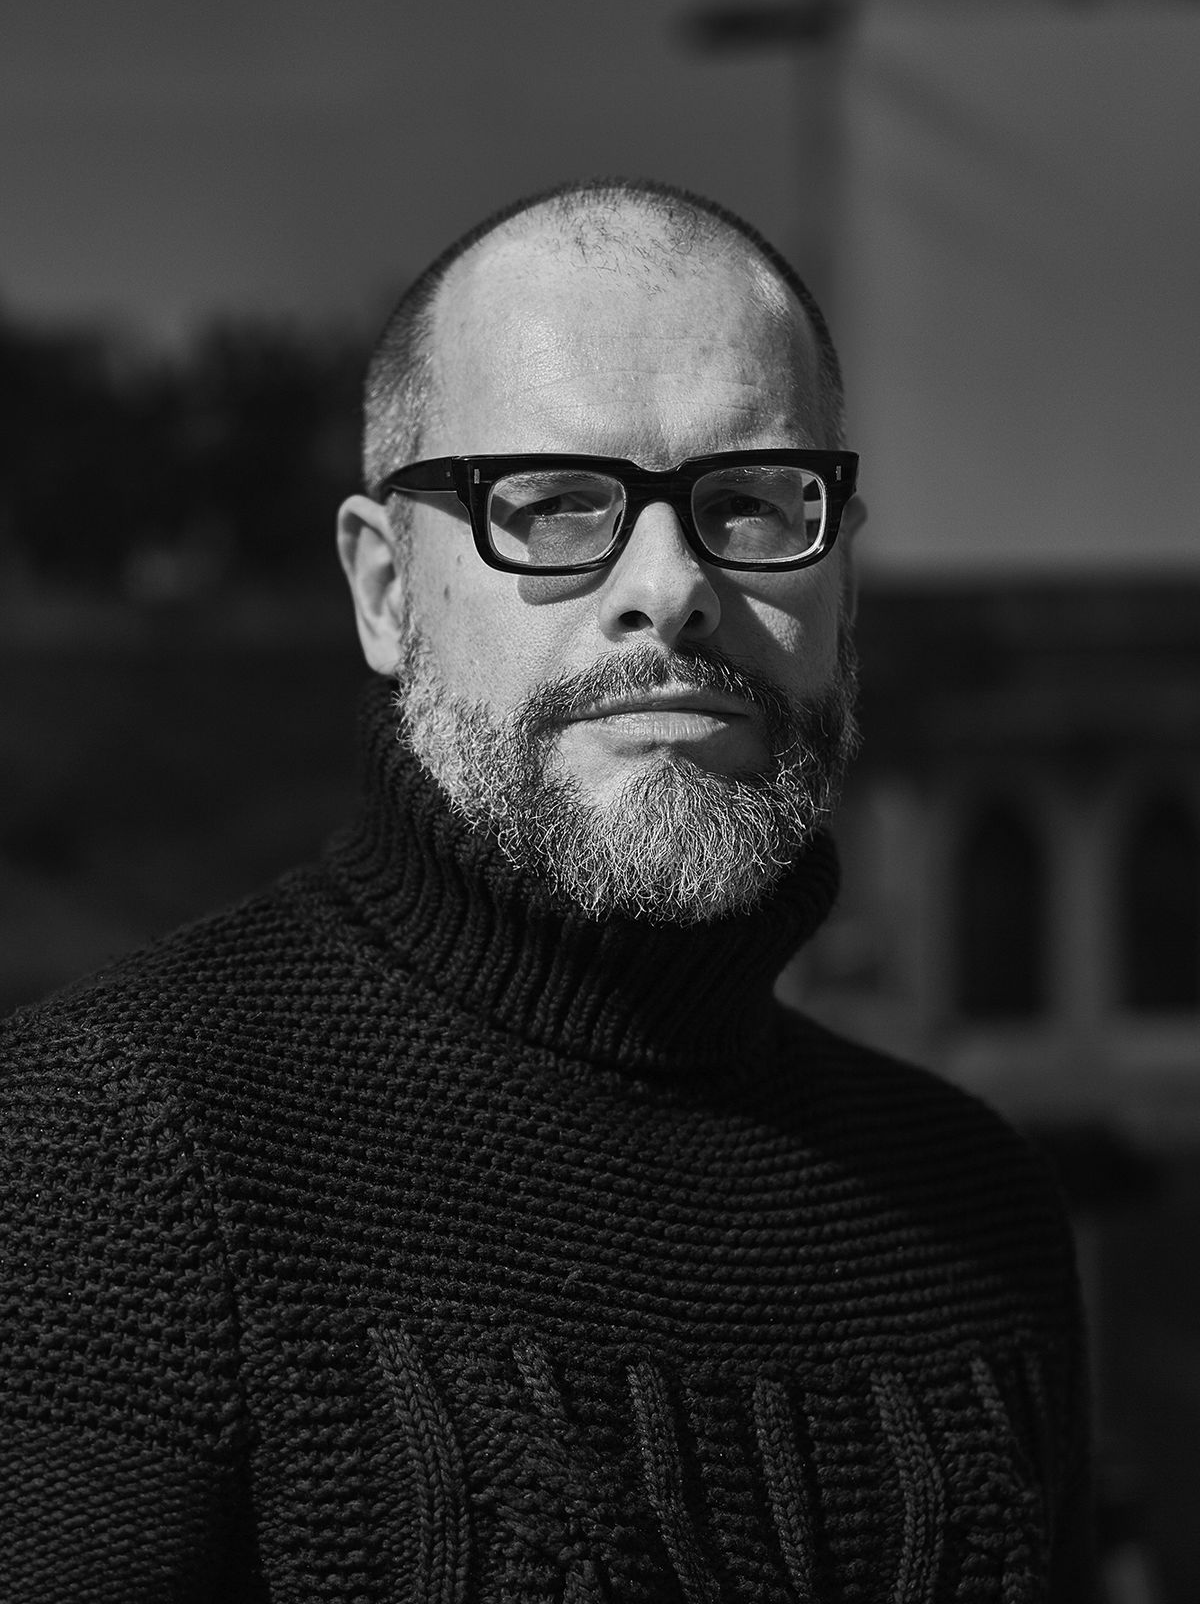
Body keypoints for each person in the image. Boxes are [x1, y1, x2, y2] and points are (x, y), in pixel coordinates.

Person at [1, 178, 1094, 1601]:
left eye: (753, 501)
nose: (672, 587)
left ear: (844, 580)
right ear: (385, 591)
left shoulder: (975, 1209)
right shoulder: (111, 1156)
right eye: (560, 504)